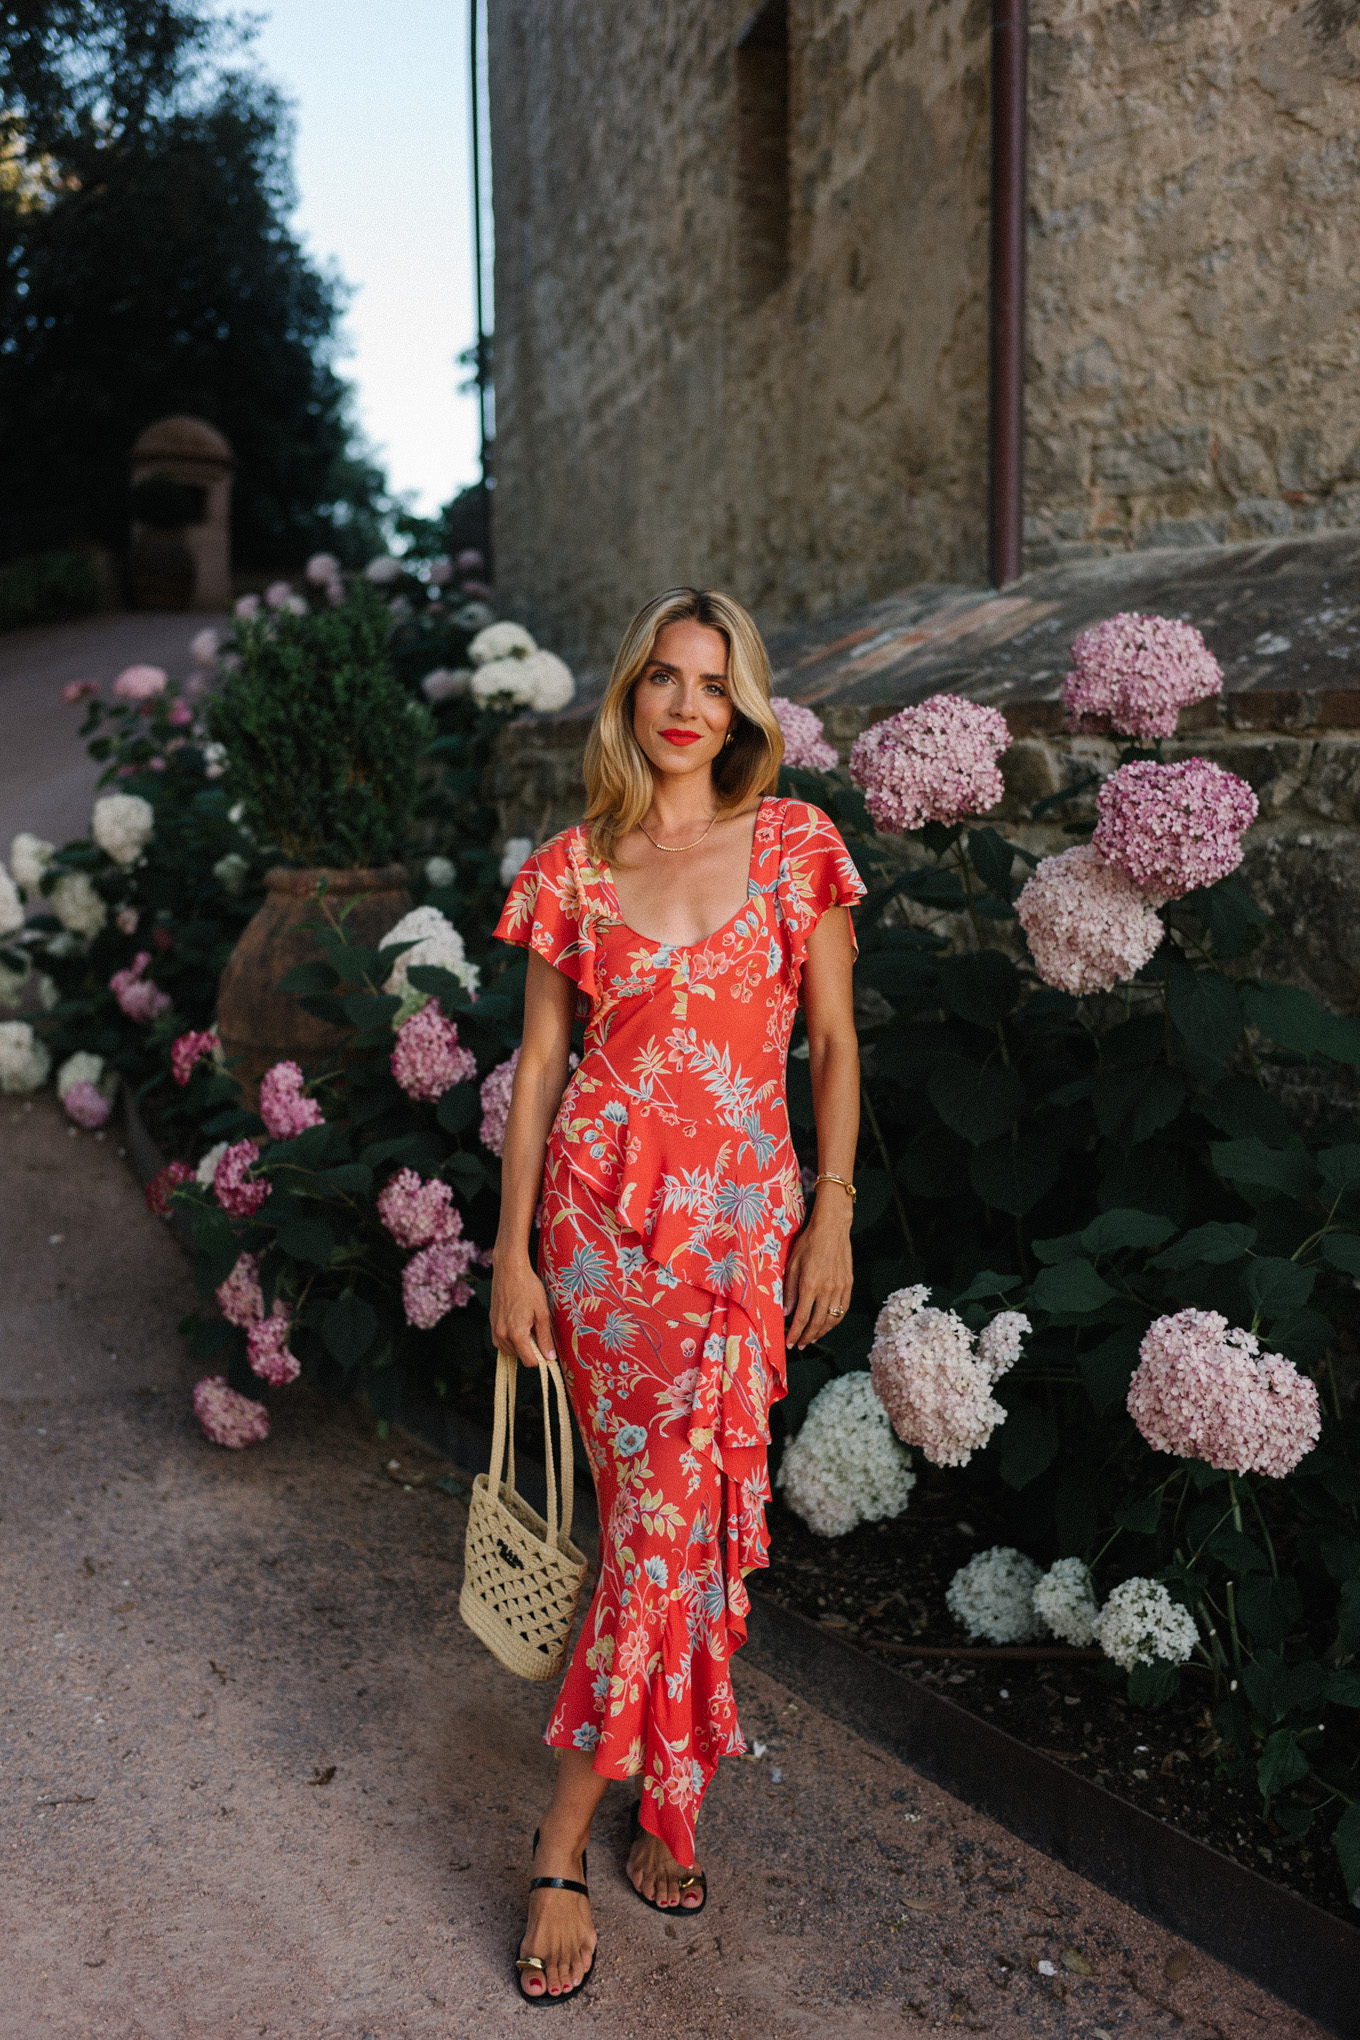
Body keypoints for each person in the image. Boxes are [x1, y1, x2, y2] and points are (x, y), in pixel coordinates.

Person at [489, 586, 864, 2001]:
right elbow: (536, 1075)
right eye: (661, 676)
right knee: (653, 1530)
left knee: (694, 1529)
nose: (685, 702)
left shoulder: (796, 847)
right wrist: (515, 1252)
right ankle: (565, 1843)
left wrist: (828, 1218)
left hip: (741, 1244)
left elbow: (830, 1050)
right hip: (599, 1242)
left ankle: (672, 1795)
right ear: (631, 699)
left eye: (712, 680)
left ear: (743, 705)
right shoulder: (571, 870)